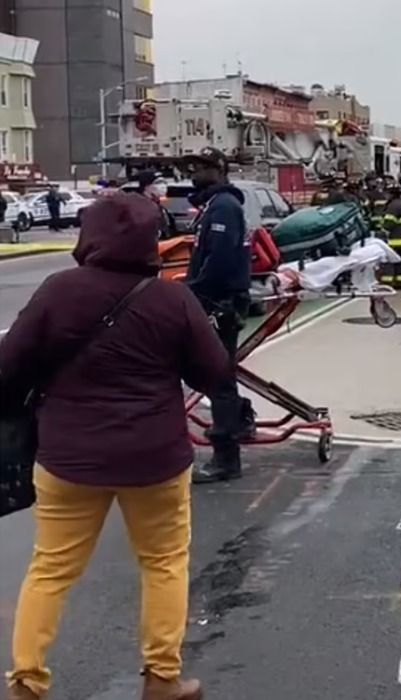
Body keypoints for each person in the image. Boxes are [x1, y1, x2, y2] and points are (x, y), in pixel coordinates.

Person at [0, 194, 229, 700]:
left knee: (52, 567)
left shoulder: (58, 291)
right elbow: (214, 372)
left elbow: (8, 368)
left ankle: (27, 684)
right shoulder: (172, 299)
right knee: (164, 561)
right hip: (156, 458)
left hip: (68, 458)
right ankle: (162, 679)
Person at [184, 147, 253, 484]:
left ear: (221, 170)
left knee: (217, 378)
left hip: (219, 304)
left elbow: (221, 261)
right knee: (214, 376)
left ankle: (227, 457)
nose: (195, 172)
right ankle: (240, 420)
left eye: (203, 167)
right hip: (214, 301)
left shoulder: (224, 206)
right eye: (193, 166)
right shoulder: (213, 206)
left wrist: (196, 293)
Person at [379, 181, 401, 289]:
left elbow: (389, 223)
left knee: (388, 260)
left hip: (394, 238)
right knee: (400, 261)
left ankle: (387, 282)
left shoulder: (393, 206)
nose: (385, 195)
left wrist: (382, 232)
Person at [134, 170, 176, 240]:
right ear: (146, 186)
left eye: (164, 182)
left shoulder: (161, 208)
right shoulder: (139, 208)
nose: (163, 186)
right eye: (158, 183)